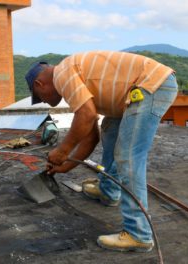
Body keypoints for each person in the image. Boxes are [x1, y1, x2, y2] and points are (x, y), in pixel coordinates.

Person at [25, 51, 178, 252]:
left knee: (128, 157)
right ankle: (109, 191)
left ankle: (139, 235)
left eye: (40, 98)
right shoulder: (72, 76)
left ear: (39, 84)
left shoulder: (62, 74)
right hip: (139, 88)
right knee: (109, 131)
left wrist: (62, 151)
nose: (44, 102)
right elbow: (91, 136)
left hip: (151, 86)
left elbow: (86, 116)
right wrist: (66, 166)